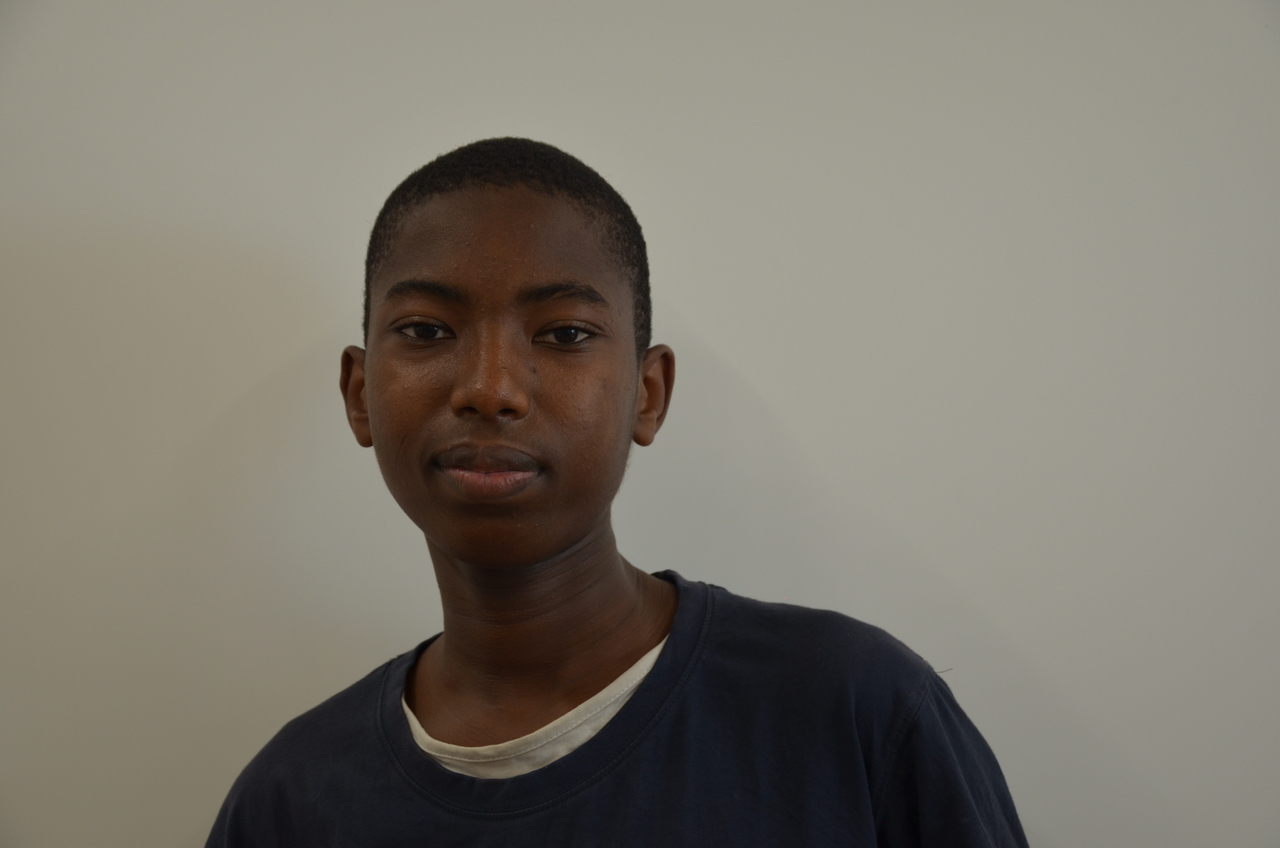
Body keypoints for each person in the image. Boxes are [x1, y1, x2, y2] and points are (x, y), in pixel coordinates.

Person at [206, 138, 1028, 847]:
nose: (490, 388)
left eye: (565, 333)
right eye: (426, 330)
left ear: (648, 393)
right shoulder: (290, 802)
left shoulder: (852, 710)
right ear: (360, 395)